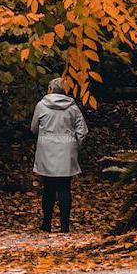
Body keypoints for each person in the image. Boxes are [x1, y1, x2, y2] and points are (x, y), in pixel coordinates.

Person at [30, 76, 88, 233]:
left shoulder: (41, 106)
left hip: (46, 149)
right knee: (64, 187)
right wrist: (75, 145)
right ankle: (65, 226)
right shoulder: (72, 107)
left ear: (50, 90)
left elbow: (34, 128)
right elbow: (82, 130)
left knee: (48, 187)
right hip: (66, 150)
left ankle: (46, 224)